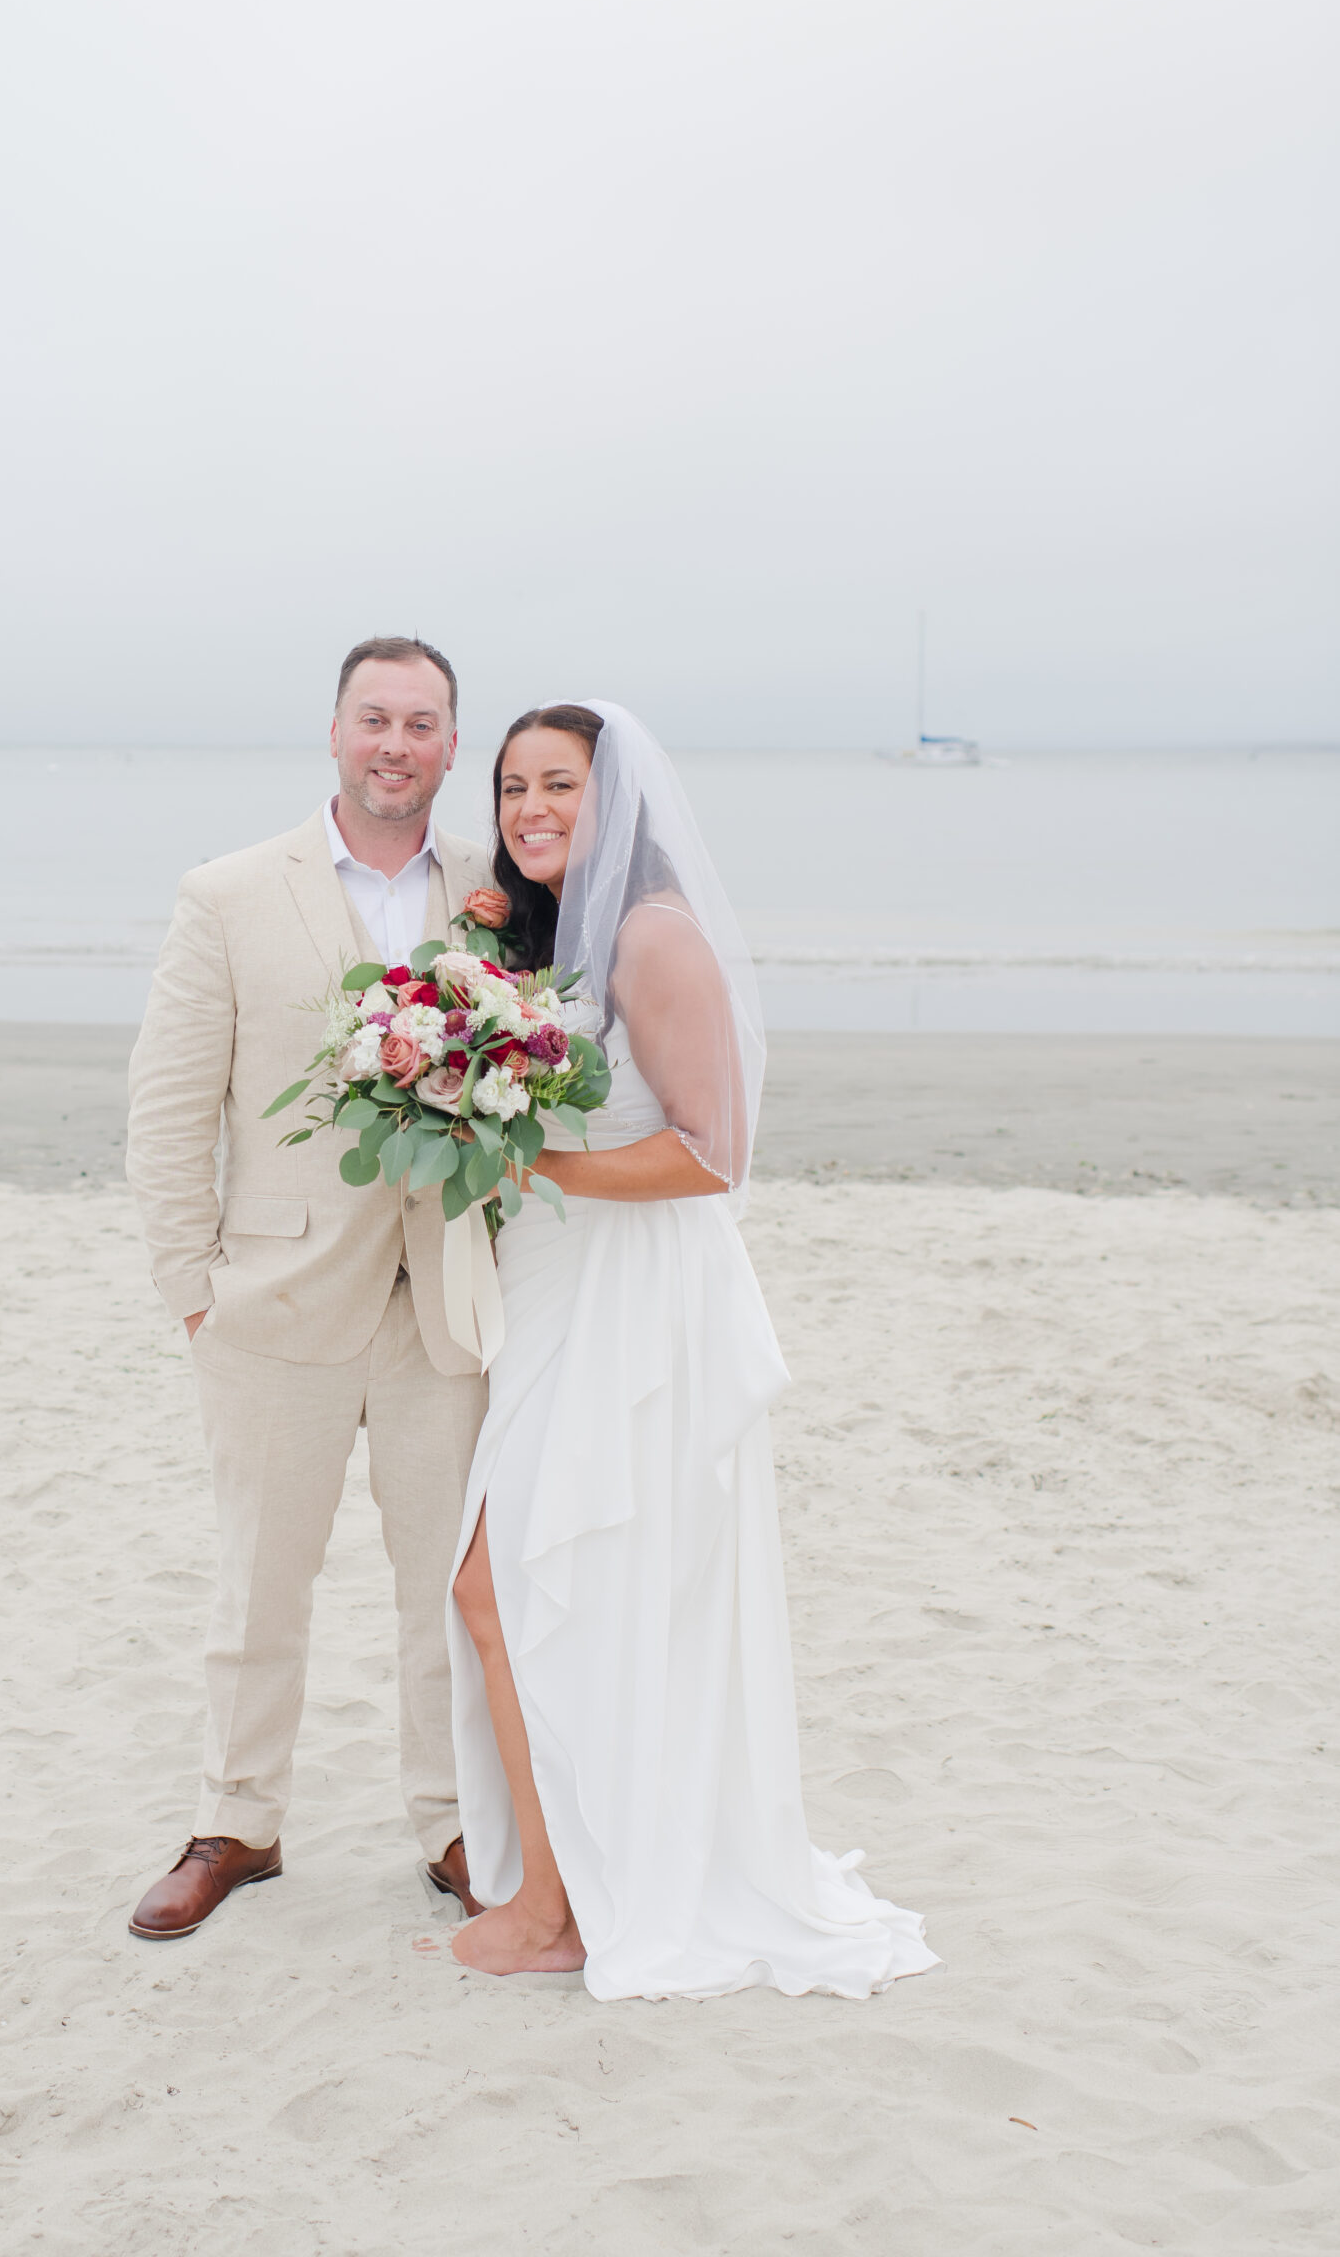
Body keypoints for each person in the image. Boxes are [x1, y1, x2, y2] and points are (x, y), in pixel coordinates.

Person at [447, 702, 939, 2000]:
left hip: (635, 1296)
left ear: (620, 801)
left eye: (558, 783)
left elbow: (709, 1154)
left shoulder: (656, 936)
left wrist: (522, 1151)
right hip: (558, 1286)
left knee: (517, 1585)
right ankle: (561, 1885)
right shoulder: (560, 937)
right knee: (533, 1590)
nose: (529, 808)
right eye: (509, 788)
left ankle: (558, 1906)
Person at [126, 638, 494, 1939]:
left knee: (441, 1586)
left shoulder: (498, 894)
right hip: (272, 1305)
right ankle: (238, 1821)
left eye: (423, 723)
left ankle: (453, 1823)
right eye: (374, 719)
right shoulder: (228, 894)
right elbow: (170, 1105)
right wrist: (191, 1286)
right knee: (258, 1579)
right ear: (334, 733)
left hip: (443, 1309)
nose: (397, 743)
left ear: (453, 745)